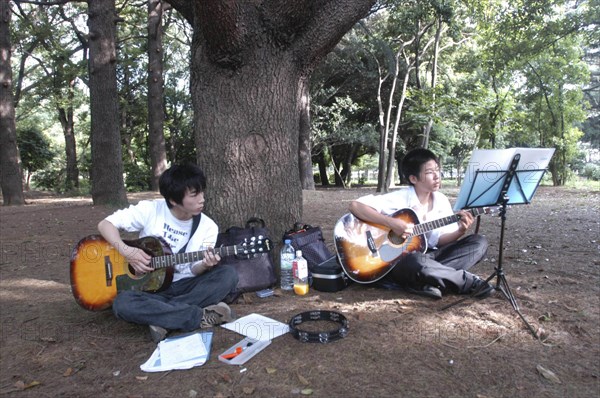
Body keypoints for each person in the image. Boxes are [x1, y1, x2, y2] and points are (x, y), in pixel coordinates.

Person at [97, 163, 239, 342]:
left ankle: (162, 317)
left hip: (186, 285)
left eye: (202, 192)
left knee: (228, 275)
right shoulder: (151, 210)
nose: (202, 199)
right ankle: (199, 316)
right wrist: (127, 252)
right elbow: (105, 224)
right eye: (194, 195)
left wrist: (204, 264)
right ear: (173, 200)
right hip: (148, 289)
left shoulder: (208, 226)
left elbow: (194, 269)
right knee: (122, 304)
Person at [348, 148, 494, 299]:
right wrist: (392, 223)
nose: (437, 176)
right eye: (430, 172)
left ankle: (423, 281)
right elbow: (355, 206)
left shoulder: (441, 200)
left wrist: (460, 231)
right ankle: (468, 282)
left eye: (437, 169)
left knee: (479, 243)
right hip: (399, 260)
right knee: (414, 260)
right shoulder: (400, 198)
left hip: (429, 257)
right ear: (413, 179)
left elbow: (439, 240)